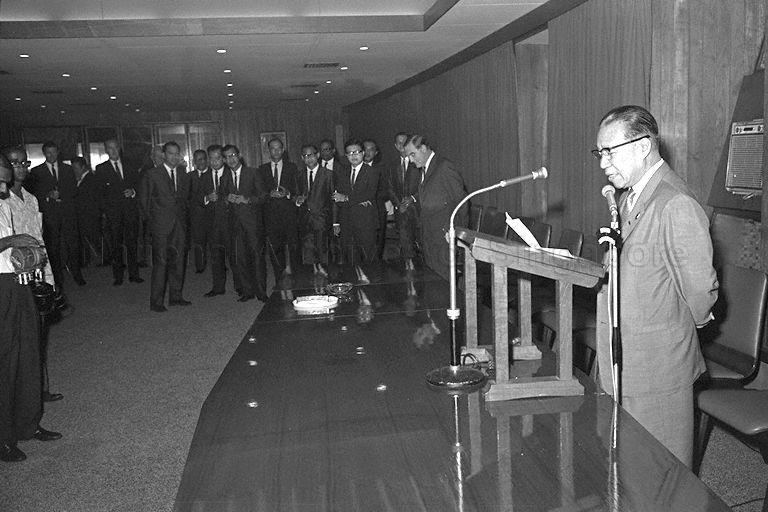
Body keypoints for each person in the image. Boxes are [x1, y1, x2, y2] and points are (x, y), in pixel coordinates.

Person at [594, 105, 718, 467]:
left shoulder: (675, 202)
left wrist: (678, 330)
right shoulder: (629, 195)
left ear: (643, 146)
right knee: (628, 466)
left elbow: (700, 291)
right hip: (625, 357)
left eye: (610, 151)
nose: (603, 163)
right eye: (599, 153)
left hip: (657, 366)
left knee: (663, 473)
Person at [0, 155, 61, 463]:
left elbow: (37, 240)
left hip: (24, 280)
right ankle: (4, 436)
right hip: (2, 284)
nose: (4, 184)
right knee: (7, 361)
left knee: (29, 354)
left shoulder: (26, 198)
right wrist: (12, 239)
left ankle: (28, 422)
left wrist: (46, 277)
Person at [403, 134, 466, 280]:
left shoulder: (443, 167)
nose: (411, 160)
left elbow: (461, 202)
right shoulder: (426, 169)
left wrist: (454, 230)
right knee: (433, 282)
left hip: (443, 238)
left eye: (413, 154)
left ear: (423, 148)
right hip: (430, 237)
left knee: (444, 284)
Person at [139, 141, 192, 312]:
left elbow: (185, 201)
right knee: (160, 263)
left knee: (179, 261)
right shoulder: (152, 174)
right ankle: (156, 302)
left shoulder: (184, 174)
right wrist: (152, 224)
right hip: (160, 226)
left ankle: (176, 297)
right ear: (163, 155)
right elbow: (144, 201)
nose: (175, 157)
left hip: (179, 226)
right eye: (171, 153)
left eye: (177, 153)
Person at [25, 140, 85, 287]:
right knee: (53, 246)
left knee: (73, 244)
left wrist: (61, 195)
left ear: (58, 152)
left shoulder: (68, 169)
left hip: (67, 212)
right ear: (44, 153)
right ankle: (57, 278)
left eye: (54, 152)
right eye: (48, 152)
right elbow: (34, 194)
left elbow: (75, 190)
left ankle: (77, 274)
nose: (51, 155)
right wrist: (47, 196)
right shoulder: (36, 172)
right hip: (50, 214)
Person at [223, 144, 269, 302]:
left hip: (252, 224)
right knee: (240, 259)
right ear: (224, 160)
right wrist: (226, 199)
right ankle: (247, 291)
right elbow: (223, 197)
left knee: (257, 258)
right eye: (228, 157)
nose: (231, 159)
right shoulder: (225, 176)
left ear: (239, 155)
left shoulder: (253, 172)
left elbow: (264, 196)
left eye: (233, 155)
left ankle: (261, 292)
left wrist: (247, 199)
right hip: (235, 225)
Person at [95, 139, 142, 286]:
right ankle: (118, 276)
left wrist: (133, 191)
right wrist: (106, 211)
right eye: (110, 148)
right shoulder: (101, 168)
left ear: (119, 148)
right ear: (106, 150)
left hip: (130, 211)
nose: (113, 150)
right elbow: (99, 194)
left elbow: (140, 184)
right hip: (113, 213)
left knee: (132, 243)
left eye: (115, 147)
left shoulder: (131, 165)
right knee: (116, 245)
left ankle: (134, 274)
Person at [332, 139, 380, 265]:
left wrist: (347, 198)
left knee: (368, 259)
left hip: (366, 223)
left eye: (357, 152)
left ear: (363, 153)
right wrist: (336, 222)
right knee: (350, 260)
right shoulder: (342, 172)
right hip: (346, 222)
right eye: (350, 153)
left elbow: (369, 193)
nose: (353, 155)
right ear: (346, 155)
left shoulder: (372, 172)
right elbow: (337, 197)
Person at [258, 138, 299, 279]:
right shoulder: (262, 169)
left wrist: (288, 193)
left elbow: (298, 190)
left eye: (278, 148)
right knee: (275, 251)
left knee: (294, 250)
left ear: (283, 150)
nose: (275, 151)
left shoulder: (293, 167)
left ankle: (297, 279)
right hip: (270, 216)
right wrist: (269, 194)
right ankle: (280, 281)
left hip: (289, 215)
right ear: (268, 151)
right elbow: (259, 193)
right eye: (272, 148)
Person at [384, 132, 421, 269]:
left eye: (404, 142)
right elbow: (389, 187)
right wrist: (399, 205)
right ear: (395, 146)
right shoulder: (392, 165)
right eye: (399, 143)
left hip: (418, 212)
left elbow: (425, 186)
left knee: (423, 249)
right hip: (401, 213)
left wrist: (412, 199)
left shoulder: (418, 162)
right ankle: (410, 281)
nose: (402, 145)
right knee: (407, 252)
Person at [198, 145, 231, 297]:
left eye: (217, 158)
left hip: (230, 223)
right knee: (216, 258)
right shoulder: (204, 177)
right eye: (211, 158)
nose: (214, 161)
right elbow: (197, 199)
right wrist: (206, 198)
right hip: (212, 224)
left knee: (235, 257)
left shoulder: (231, 174)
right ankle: (218, 287)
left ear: (223, 159)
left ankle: (241, 287)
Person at [296, 144, 334, 274]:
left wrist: (335, 222)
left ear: (317, 155)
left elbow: (333, 200)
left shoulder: (328, 174)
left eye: (311, 155)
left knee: (324, 255)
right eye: (305, 156)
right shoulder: (299, 175)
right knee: (307, 256)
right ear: (302, 158)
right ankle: (311, 287)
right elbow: (296, 194)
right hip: (305, 221)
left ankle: (327, 286)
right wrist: (297, 200)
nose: (309, 159)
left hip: (322, 221)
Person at [71, 157, 101, 268]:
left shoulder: (91, 179)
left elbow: (88, 198)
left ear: (83, 167)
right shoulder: (79, 179)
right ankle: (87, 260)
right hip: (83, 214)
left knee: (90, 238)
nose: (74, 170)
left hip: (89, 215)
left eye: (76, 168)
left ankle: (93, 259)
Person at [188, 149, 210, 274]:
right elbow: (188, 196)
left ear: (206, 159)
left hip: (212, 214)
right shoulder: (189, 176)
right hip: (196, 215)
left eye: (202, 159)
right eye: (197, 159)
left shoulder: (214, 173)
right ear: (194, 161)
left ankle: (219, 264)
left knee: (215, 242)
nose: (200, 162)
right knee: (198, 242)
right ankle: (200, 266)